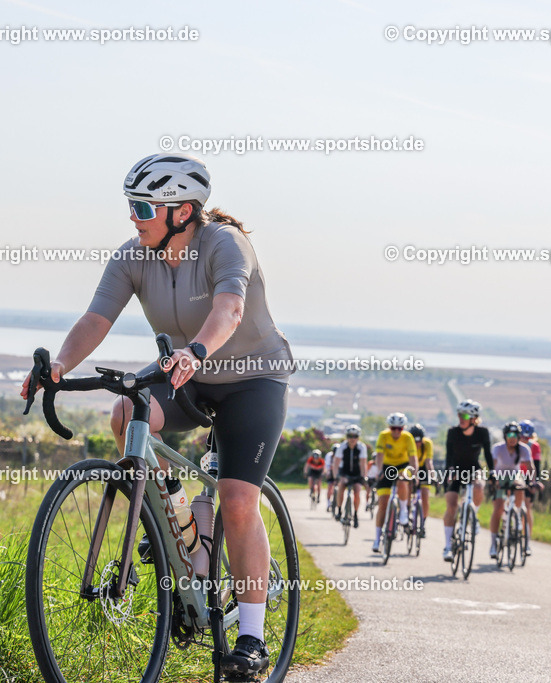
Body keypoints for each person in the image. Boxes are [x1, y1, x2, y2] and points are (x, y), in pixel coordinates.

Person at [21, 152, 292, 676]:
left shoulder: (225, 244)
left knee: (237, 499)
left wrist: (198, 352)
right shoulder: (132, 256)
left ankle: (253, 638)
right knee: (128, 411)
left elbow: (229, 310)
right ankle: (181, 527)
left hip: (252, 377)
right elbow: (97, 317)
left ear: (183, 211)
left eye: (143, 208)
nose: (133, 217)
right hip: (186, 369)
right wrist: (58, 365)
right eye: (131, 206)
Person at [442, 399, 493, 561]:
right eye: (459, 415)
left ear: (473, 418)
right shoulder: (453, 432)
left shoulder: (482, 432)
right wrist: (450, 471)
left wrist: (492, 472)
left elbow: (487, 454)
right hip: (456, 470)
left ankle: (473, 516)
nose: (461, 418)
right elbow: (449, 455)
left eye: (464, 415)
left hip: (473, 468)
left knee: (479, 486)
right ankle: (448, 546)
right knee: (451, 506)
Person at [372, 413, 418, 553]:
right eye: (393, 428)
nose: (396, 431)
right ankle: (377, 538)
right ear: (389, 427)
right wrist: (379, 471)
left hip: (403, 466)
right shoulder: (383, 436)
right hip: (386, 467)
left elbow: (413, 458)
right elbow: (379, 455)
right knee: (383, 504)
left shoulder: (408, 437)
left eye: (399, 428)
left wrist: (413, 473)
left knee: (402, 480)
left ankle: (403, 510)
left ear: (403, 428)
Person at [488, 422, 533, 559]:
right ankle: (493, 543)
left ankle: (517, 515)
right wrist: (493, 480)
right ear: (505, 436)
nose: (512, 438)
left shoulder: (524, 449)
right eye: (510, 435)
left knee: (520, 486)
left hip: (514, 475)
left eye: (515, 435)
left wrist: (532, 481)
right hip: (499, 476)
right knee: (498, 508)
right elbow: (493, 464)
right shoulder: (498, 448)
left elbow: (530, 467)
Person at [333, 425, 367, 528]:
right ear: (347, 437)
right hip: (345, 471)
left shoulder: (361, 447)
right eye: (350, 436)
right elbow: (336, 463)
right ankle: (339, 509)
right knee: (341, 485)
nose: (352, 439)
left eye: (355, 436)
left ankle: (355, 515)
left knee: (357, 491)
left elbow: (363, 464)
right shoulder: (342, 447)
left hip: (356, 472)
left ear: (358, 437)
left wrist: (363, 477)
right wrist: (336, 476)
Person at [517, 420, 543, 554]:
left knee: (527, 507)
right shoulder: (513, 444)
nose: (524, 439)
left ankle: (527, 540)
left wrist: (535, 481)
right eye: (522, 436)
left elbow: (537, 466)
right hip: (514, 474)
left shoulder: (535, 446)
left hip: (528, 476)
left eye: (527, 437)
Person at [409, 424, 435, 538]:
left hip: (423, 469)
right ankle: (406, 512)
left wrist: (433, 476)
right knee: (407, 488)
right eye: (413, 440)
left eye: (418, 440)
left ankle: (423, 523)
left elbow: (429, 462)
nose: (416, 443)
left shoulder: (427, 444)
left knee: (425, 495)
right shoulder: (407, 443)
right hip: (410, 467)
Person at [324, 448, 338, 512]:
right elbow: (327, 466)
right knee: (330, 487)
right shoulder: (329, 456)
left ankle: (338, 502)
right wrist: (327, 473)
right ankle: (328, 502)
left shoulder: (341, 456)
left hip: (338, 473)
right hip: (331, 472)